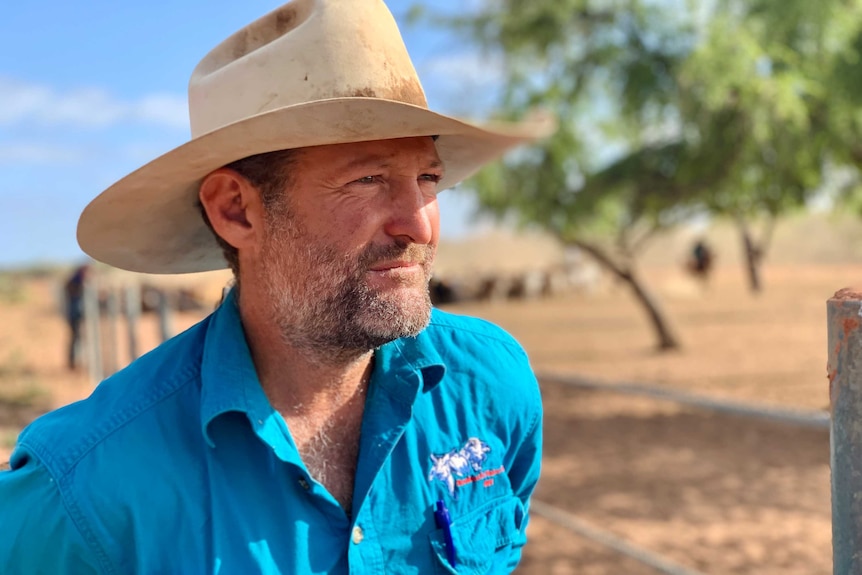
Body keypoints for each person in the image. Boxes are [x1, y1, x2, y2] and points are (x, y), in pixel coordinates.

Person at [0, 1, 552, 573]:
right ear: (236, 210)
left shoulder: (490, 386)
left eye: (428, 179)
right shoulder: (85, 487)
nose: (418, 224)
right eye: (368, 179)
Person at [62, 263, 90, 370]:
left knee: (76, 338)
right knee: (76, 338)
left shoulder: (74, 282)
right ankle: (73, 362)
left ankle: (74, 362)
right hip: (75, 315)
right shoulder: (76, 283)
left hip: (74, 314)